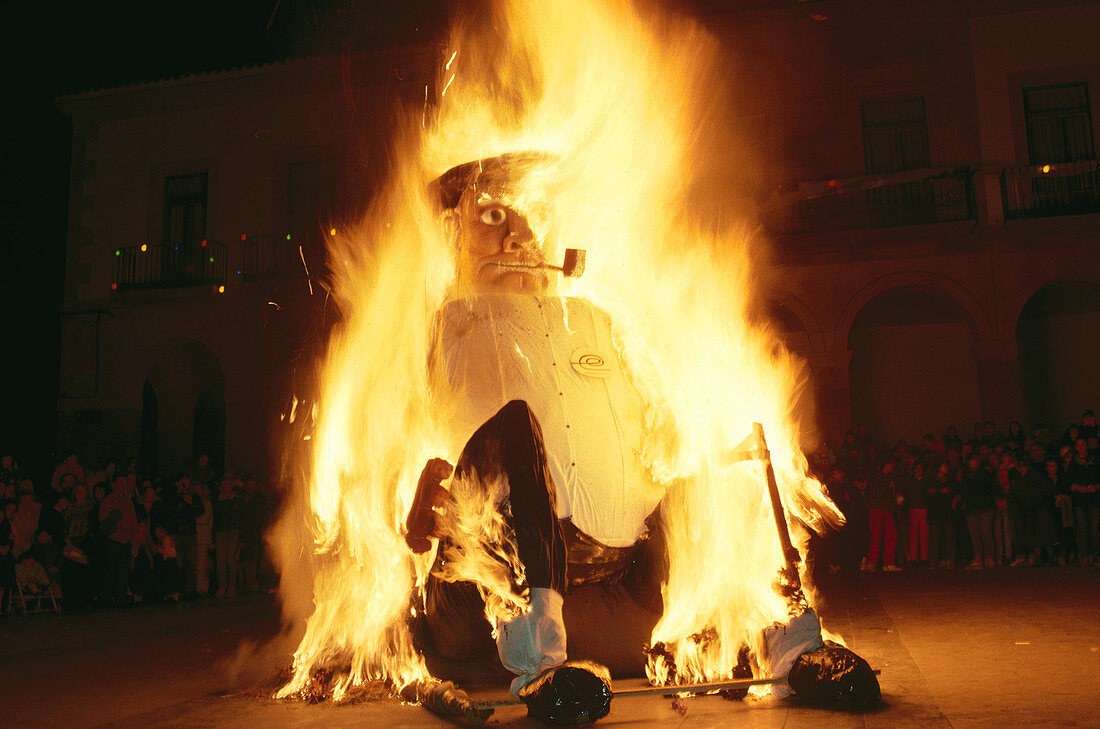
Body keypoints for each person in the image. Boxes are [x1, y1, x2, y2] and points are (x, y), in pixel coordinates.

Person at [405, 155, 877, 723]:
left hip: (615, 581)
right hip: (481, 591)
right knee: (512, 428)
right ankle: (539, 665)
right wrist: (415, 508)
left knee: (736, 450)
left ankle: (798, 649)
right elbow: (377, 473)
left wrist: (675, 427)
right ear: (449, 230)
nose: (518, 233)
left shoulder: (598, 321)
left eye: (531, 214)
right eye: (493, 214)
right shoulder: (432, 330)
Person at [959, 454, 997, 569]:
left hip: (985, 508)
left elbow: (991, 489)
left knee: (986, 533)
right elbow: (964, 491)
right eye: (972, 460)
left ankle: (990, 558)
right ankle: (978, 558)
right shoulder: (965, 476)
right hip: (971, 510)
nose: (974, 462)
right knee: (974, 535)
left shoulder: (985, 474)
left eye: (976, 460)